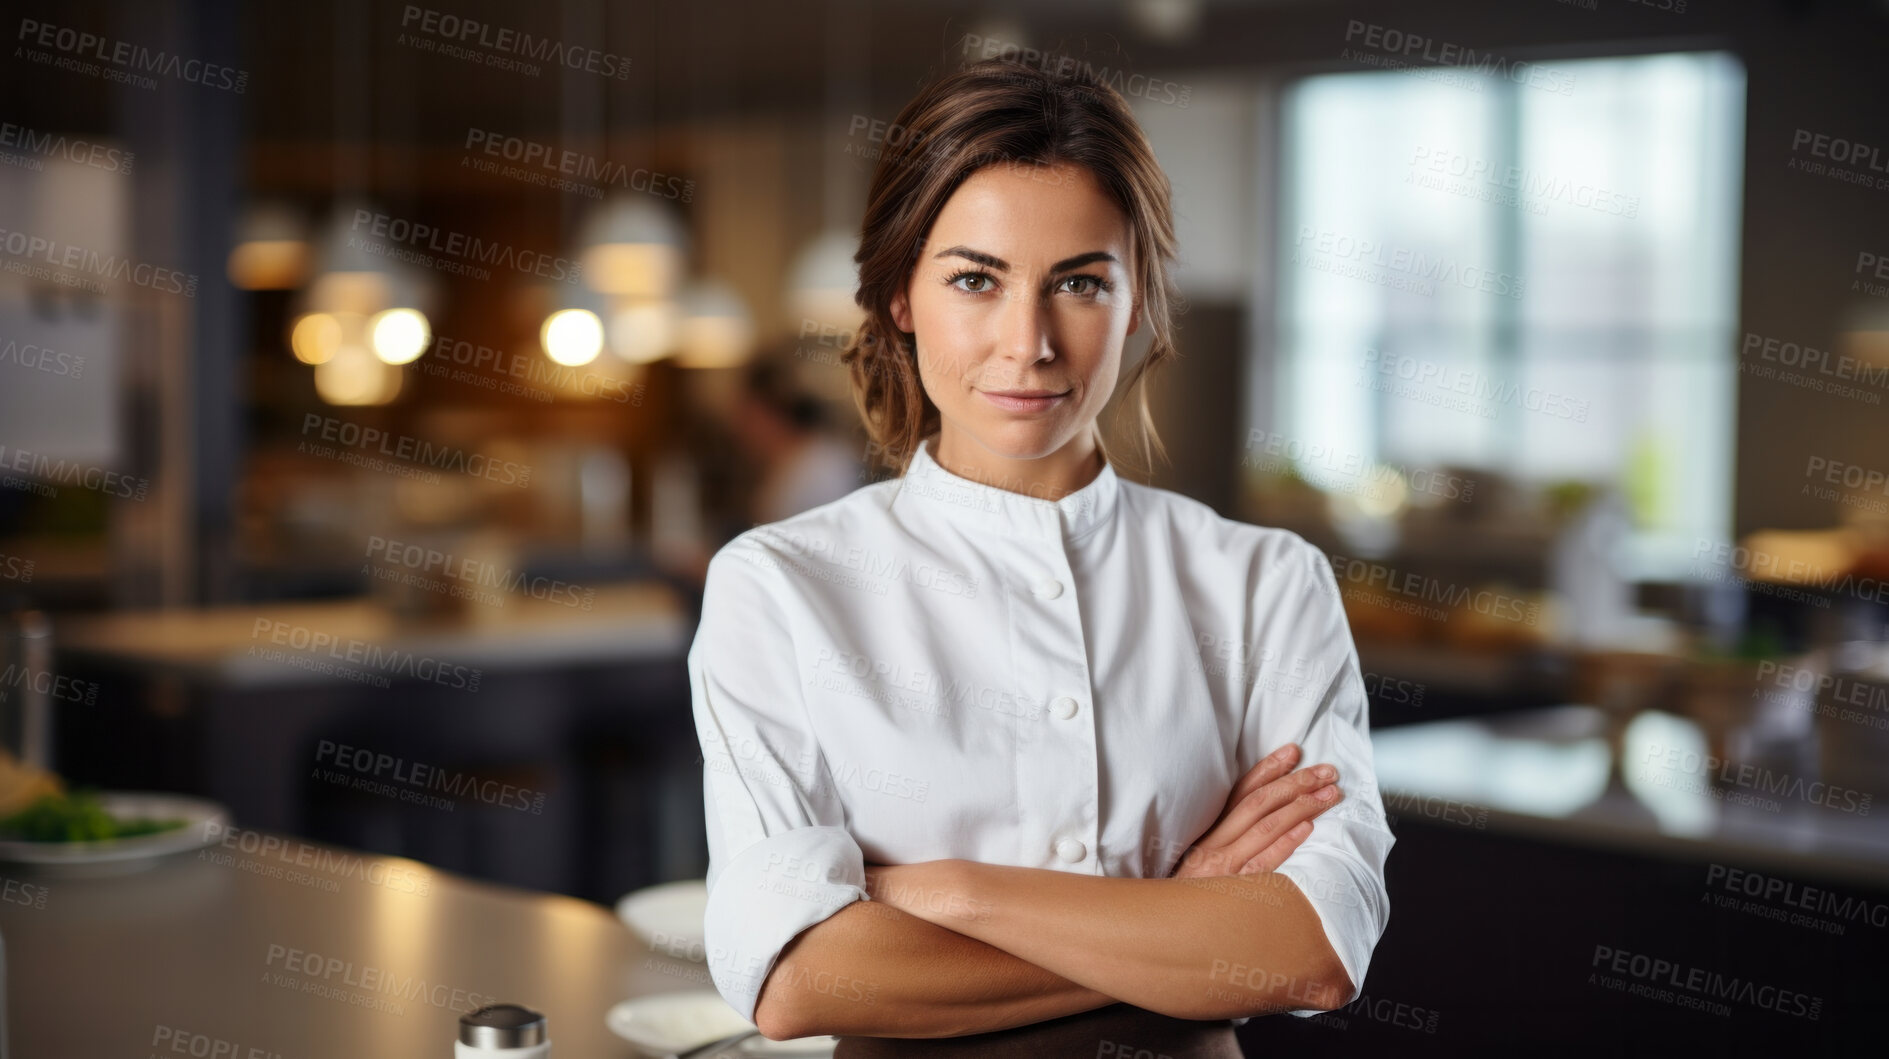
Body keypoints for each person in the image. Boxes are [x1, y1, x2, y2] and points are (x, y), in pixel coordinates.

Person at [688, 57, 1393, 1058]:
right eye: (974, 279)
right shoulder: (780, 589)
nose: (1028, 344)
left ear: (1137, 298)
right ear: (897, 296)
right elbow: (798, 978)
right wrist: (1172, 915)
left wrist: (942, 894)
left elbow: (1309, 950)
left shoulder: (1266, 585)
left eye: (1078, 283)